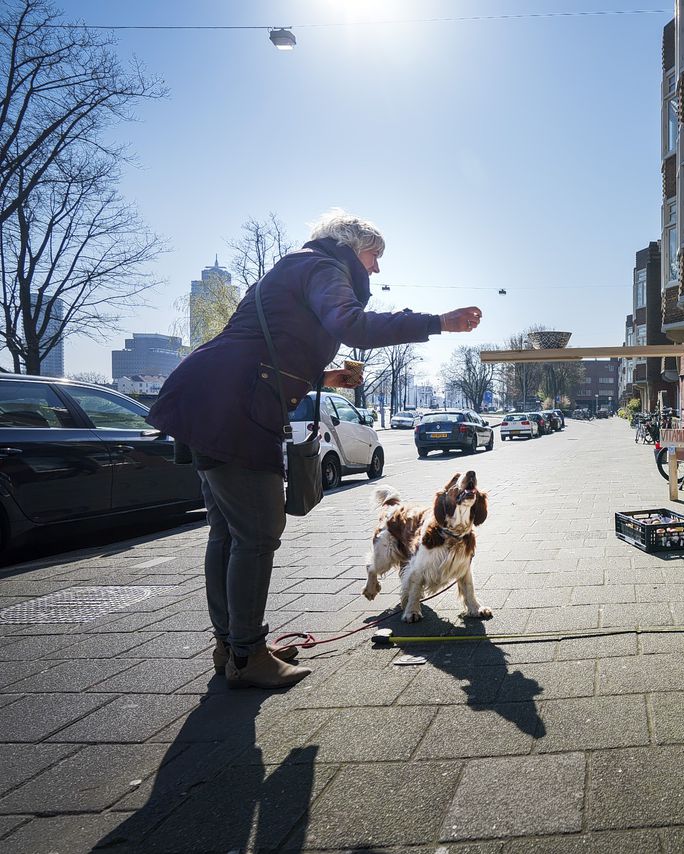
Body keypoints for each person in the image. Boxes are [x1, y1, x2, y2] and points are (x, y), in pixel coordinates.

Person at [147, 210, 483, 689]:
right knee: (259, 533)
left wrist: (322, 379)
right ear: (352, 246)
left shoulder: (295, 267)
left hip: (208, 399)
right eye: (374, 257)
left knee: (226, 534)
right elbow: (352, 325)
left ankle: (233, 646)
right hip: (234, 410)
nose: (376, 269)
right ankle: (247, 655)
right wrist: (438, 322)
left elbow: (267, 345)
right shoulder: (325, 267)